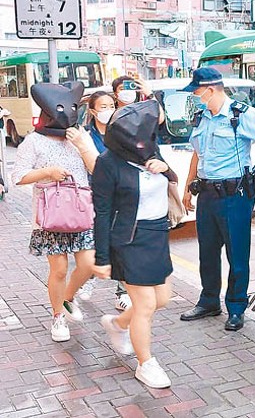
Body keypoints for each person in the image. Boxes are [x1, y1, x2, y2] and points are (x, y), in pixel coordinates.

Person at [179, 67, 255, 331]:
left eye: (196, 91)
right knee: (207, 252)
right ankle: (208, 301)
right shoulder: (201, 117)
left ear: (210, 89)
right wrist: (187, 187)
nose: (194, 96)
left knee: (237, 255)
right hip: (207, 194)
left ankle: (237, 307)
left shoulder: (241, 114)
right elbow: (197, 154)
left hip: (235, 196)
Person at [91, 98, 176, 389]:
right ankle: (146, 364)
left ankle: (116, 324)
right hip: (129, 238)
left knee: (162, 299)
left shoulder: (147, 147)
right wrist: (101, 257)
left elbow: (170, 178)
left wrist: (164, 168)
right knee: (146, 304)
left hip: (157, 234)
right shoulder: (107, 163)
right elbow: (101, 213)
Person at [12, 81, 95, 342]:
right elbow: (18, 176)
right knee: (58, 269)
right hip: (51, 216)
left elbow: (97, 169)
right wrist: (48, 173)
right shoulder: (33, 142)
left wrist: (82, 144)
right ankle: (58, 315)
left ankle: (68, 298)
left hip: (81, 212)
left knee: (88, 264)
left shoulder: (79, 136)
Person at [74, 91, 116, 302]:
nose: (108, 110)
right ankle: (87, 280)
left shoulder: (120, 132)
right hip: (94, 195)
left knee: (119, 241)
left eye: (111, 105)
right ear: (92, 111)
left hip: (119, 194)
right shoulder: (86, 136)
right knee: (95, 241)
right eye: (103, 107)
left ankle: (122, 290)